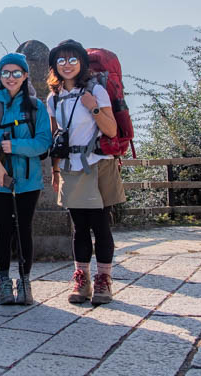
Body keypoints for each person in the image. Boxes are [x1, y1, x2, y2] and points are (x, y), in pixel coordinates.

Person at [46, 39, 126, 306]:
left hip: (99, 163)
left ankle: (104, 281)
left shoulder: (96, 91)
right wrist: (55, 171)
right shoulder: (54, 98)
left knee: (101, 225)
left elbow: (112, 130)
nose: (66, 65)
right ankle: (82, 280)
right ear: (54, 66)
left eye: (72, 60)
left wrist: (92, 106)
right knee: (79, 227)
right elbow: (56, 137)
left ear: (81, 62)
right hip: (71, 167)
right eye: (61, 60)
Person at [0, 53, 51, 304]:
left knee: (24, 229)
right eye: (6, 73)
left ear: (25, 75)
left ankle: (25, 282)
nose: (11, 77)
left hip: (29, 180)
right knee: (4, 230)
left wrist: (13, 146)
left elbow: (43, 142)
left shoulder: (36, 107)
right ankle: (4, 281)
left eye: (17, 73)